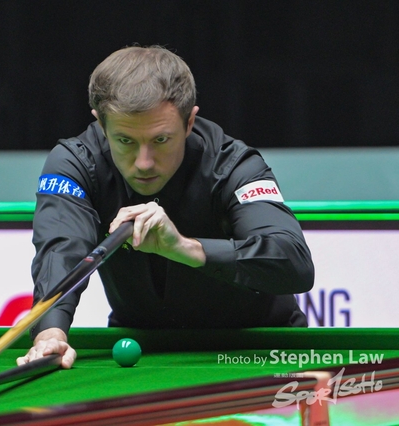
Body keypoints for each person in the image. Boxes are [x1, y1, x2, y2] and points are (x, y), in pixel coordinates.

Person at [17, 45, 314, 369]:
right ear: (101, 125)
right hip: (143, 352)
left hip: (259, 347)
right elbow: (61, 250)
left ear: (189, 122)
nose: (143, 163)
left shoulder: (232, 165)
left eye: (160, 140)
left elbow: (294, 263)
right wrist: (50, 334)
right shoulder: (76, 165)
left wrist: (184, 248)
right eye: (125, 141)